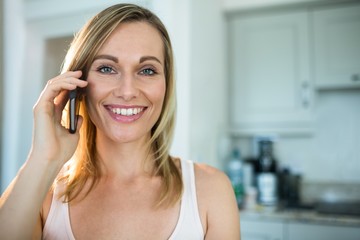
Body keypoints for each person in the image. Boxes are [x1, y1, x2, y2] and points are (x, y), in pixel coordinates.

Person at [0, 3, 240, 239]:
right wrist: (43, 158)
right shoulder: (44, 196)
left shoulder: (211, 191)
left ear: (166, 85)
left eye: (147, 70)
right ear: (77, 85)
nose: (127, 91)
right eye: (107, 69)